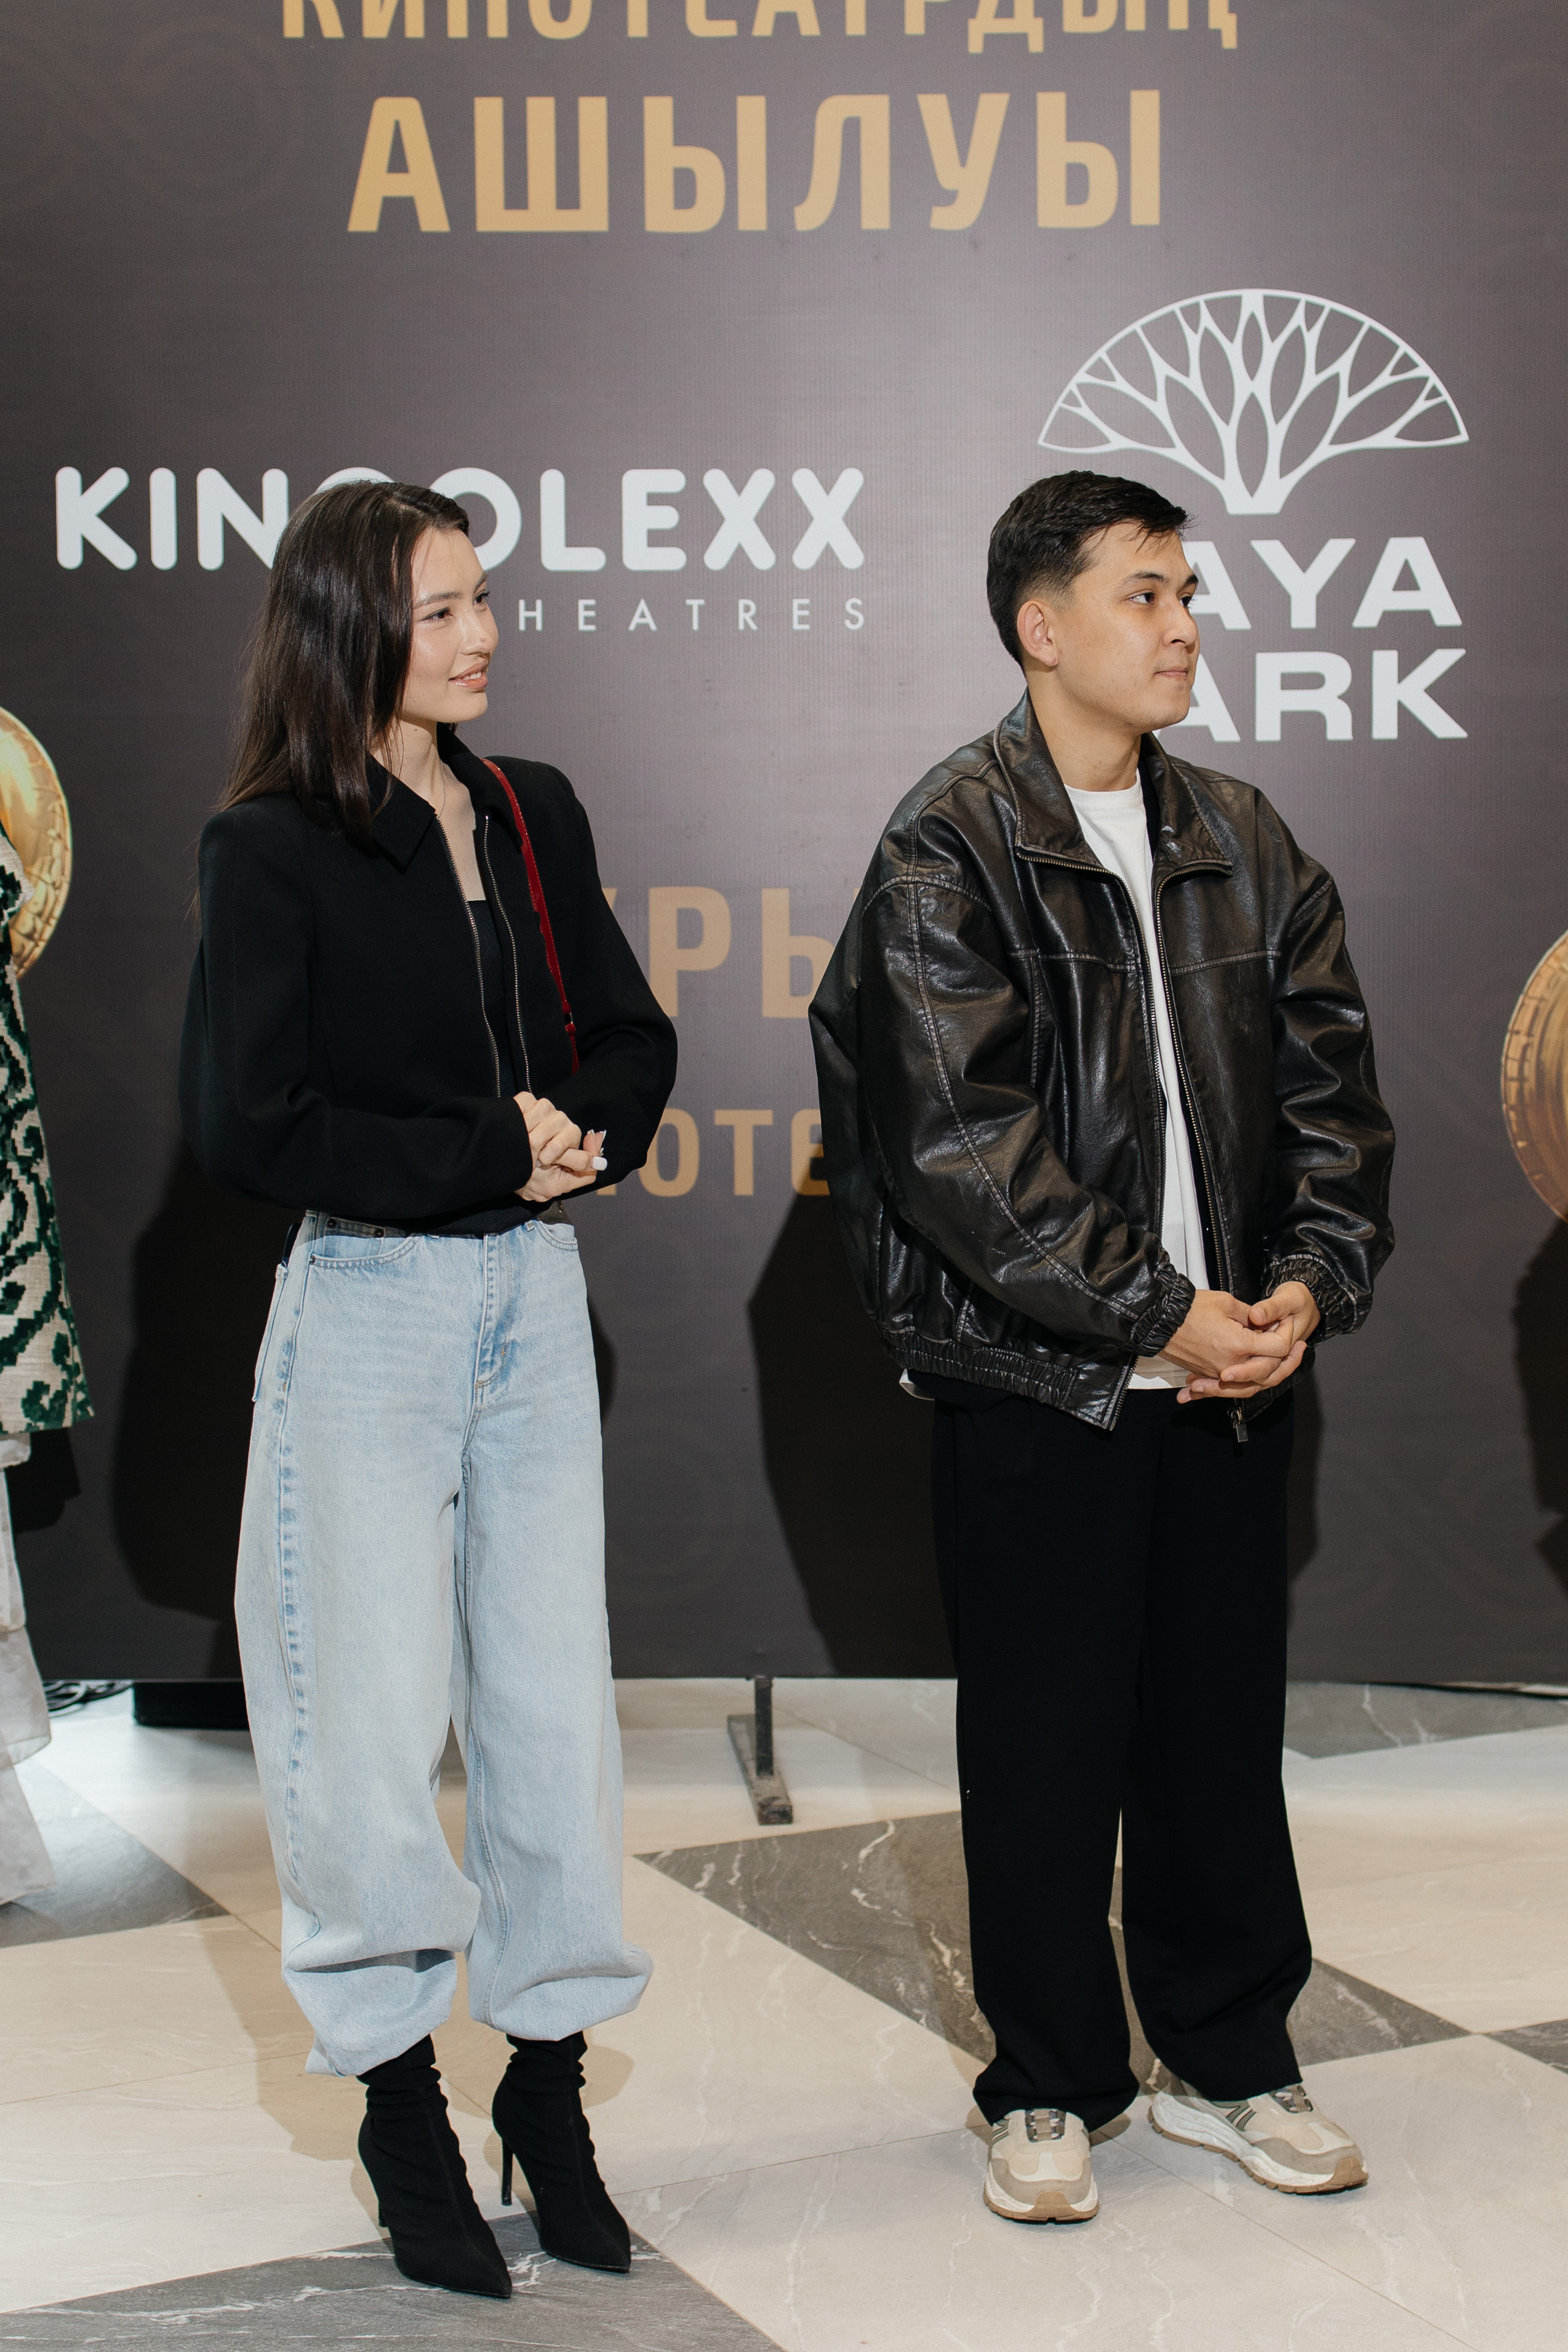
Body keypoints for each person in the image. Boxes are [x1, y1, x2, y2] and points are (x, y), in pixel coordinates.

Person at [811, 471, 1394, 2225]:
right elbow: (966, 1152)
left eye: (1189, 593)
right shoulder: (950, 844)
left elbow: (1335, 1099)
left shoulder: (1246, 837)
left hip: (1231, 1385)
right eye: (1146, 593)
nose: (1184, 626)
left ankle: (1232, 2059)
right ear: (1041, 625)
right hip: (1043, 1386)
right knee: (1046, 1749)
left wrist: (1306, 1286)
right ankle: (1051, 2083)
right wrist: (1161, 1312)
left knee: (1217, 1744)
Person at [181, 480, 676, 2298]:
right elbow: (250, 1123)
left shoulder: (532, 809)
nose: (481, 634)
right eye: (442, 608)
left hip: (531, 1297)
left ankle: (548, 2087)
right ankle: (400, 2111)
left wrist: (575, 1139)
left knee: (552, 1713)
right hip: (370, 1306)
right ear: (350, 628)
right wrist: (489, 1146)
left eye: (482, 598)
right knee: (364, 1727)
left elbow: (628, 1033)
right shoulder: (270, 844)